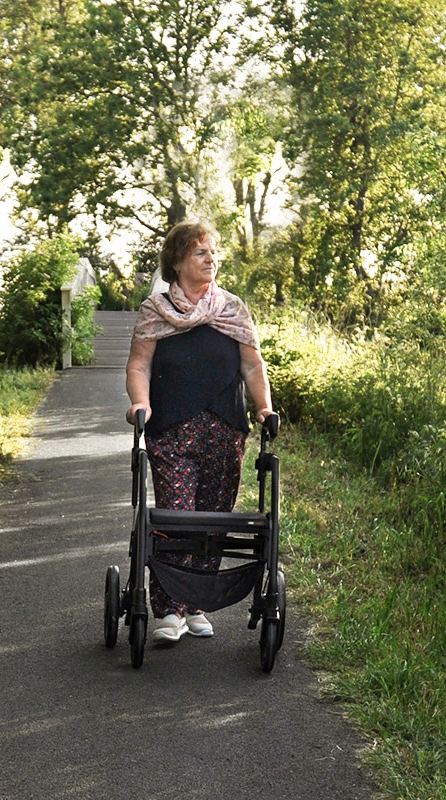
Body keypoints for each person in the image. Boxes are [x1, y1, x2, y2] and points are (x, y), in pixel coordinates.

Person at [126, 220, 274, 642]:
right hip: (170, 428)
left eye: (213, 252)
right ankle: (170, 609)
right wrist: (140, 402)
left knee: (213, 518)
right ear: (177, 261)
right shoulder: (155, 311)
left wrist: (263, 408)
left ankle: (197, 604)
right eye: (200, 253)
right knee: (176, 513)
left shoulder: (232, 309)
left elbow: (252, 365)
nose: (212, 259)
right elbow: (139, 366)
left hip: (225, 429)